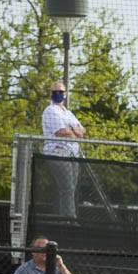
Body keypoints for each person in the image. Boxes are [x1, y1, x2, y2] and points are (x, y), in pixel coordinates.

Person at [41, 80, 85, 219]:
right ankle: (68, 219)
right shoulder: (50, 110)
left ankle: (66, 217)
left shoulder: (68, 113)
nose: (58, 94)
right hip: (57, 152)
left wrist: (72, 130)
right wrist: (73, 130)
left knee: (70, 188)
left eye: (60, 92)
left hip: (72, 154)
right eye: (55, 92)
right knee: (67, 187)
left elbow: (82, 130)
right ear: (51, 94)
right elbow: (61, 131)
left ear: (65, 94)